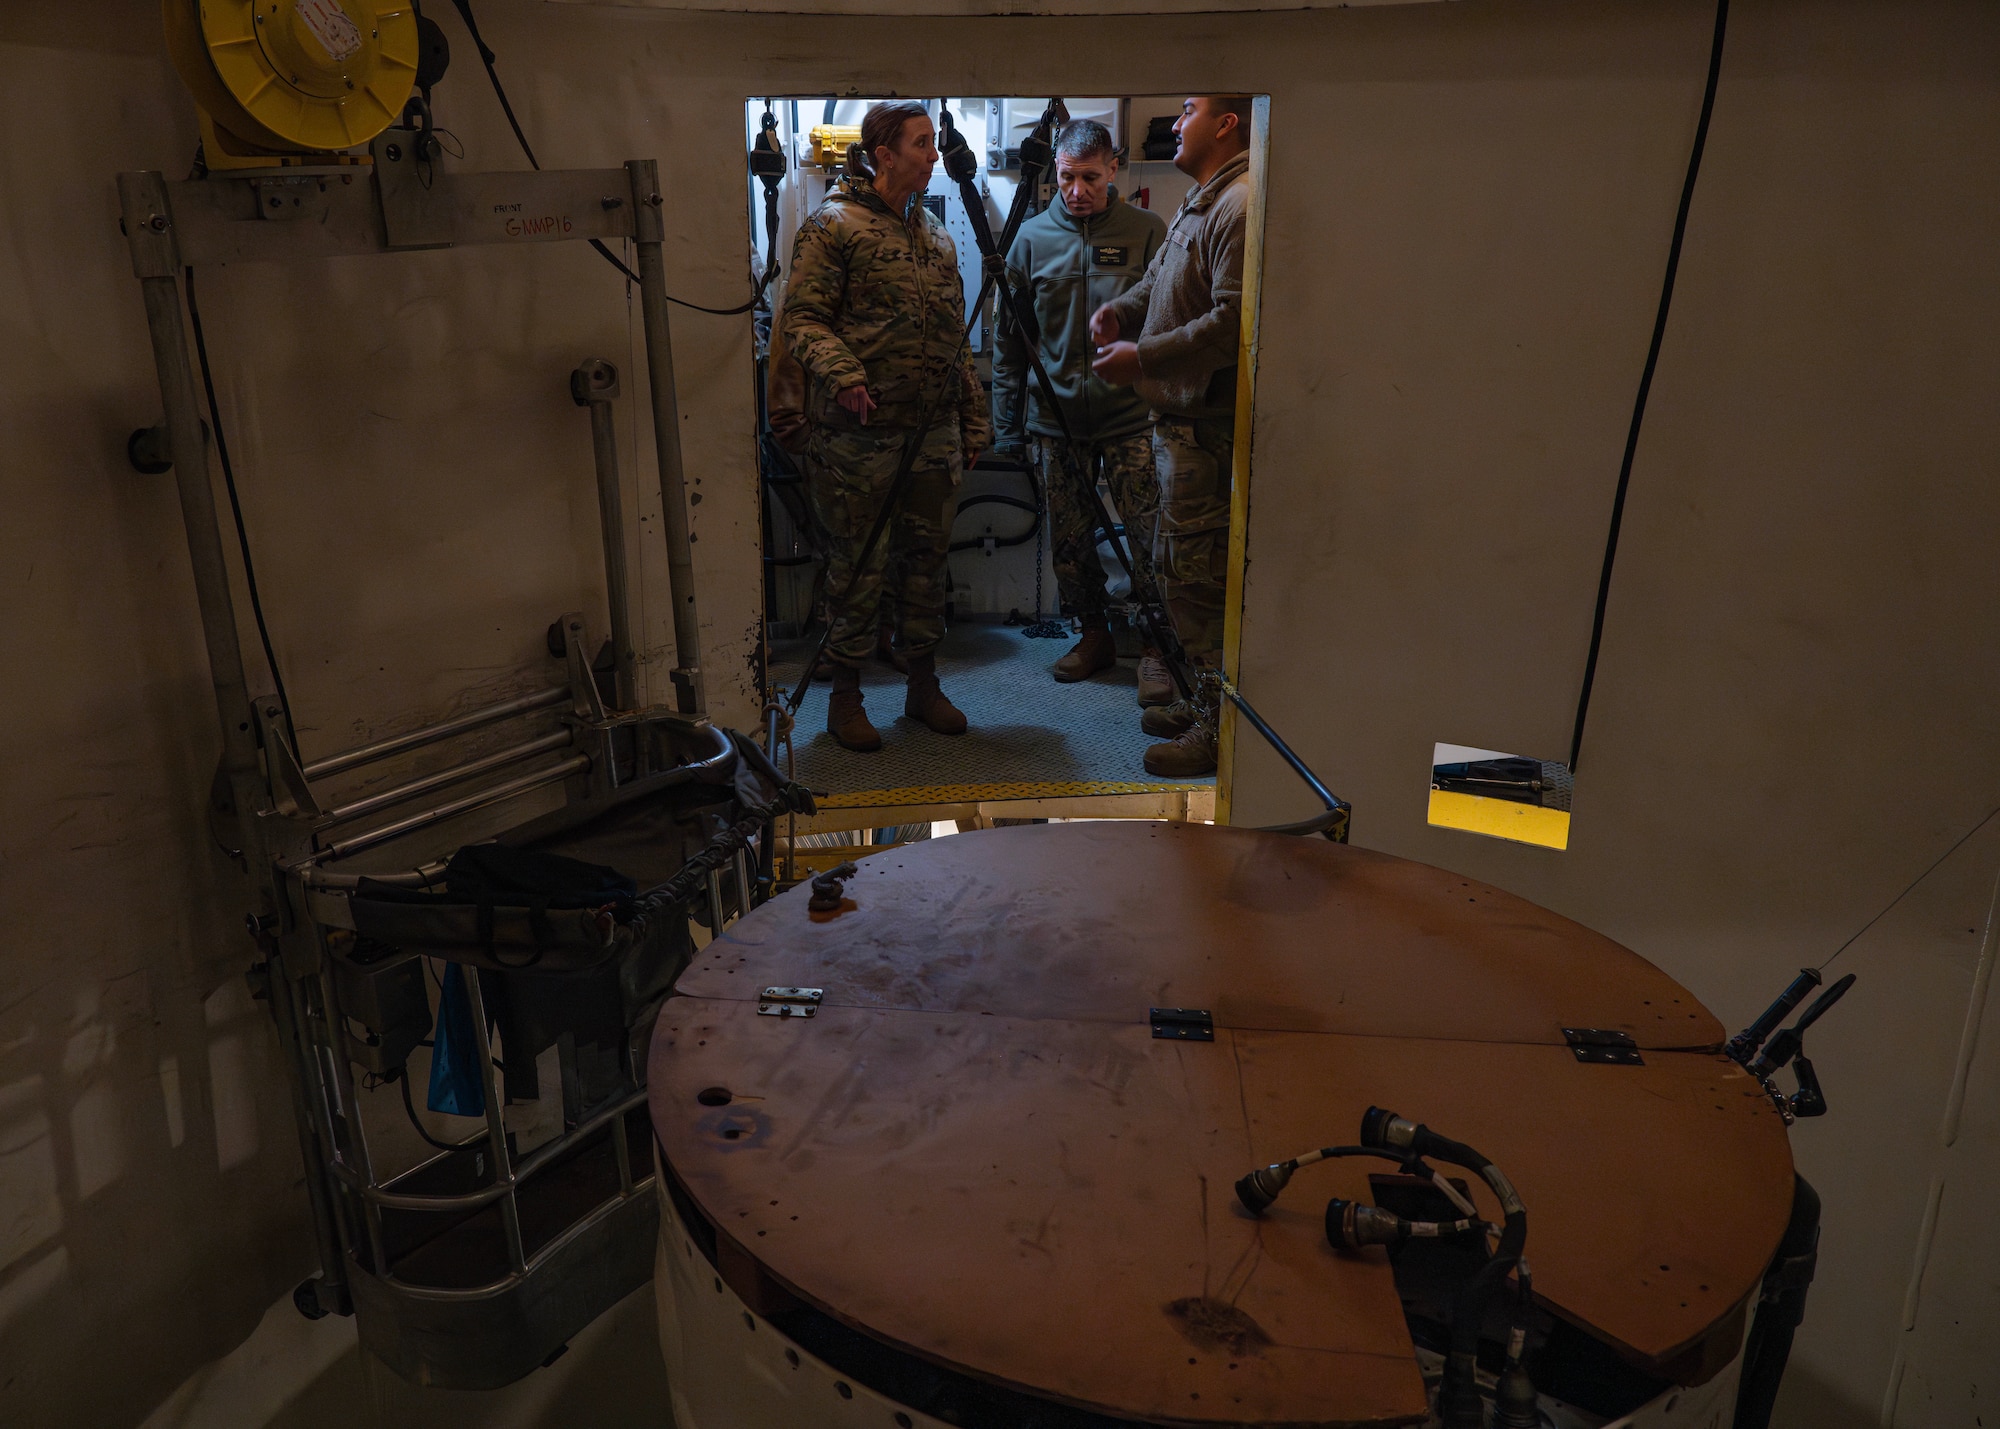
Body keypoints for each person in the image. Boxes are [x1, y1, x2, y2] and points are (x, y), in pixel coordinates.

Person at [783, 100, 990, 751]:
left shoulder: (935, 235)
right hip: (858, 439)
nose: (935, 154)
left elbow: (953, 338)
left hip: (930, 434)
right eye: (923, 143)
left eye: (934, 143)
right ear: (884, 155)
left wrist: (972, 419)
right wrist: (843, 373)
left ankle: (923, 686)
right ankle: (845, 699)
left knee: (926, 564)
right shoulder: (831, 227)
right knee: (857, 568)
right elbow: (802, 320)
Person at [1091, 96, 1253, 778]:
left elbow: (1230, 322)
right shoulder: (1201, 201)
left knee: (1202, 582)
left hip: (1204, 433)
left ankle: (1220, 731)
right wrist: (1120, 312)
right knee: (1178, 572)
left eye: (1188, 109)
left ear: (1226, 124)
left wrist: (1144, 360)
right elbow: (1159, 283)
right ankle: (1201, 700)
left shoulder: (1240, 204)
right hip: (1176, 426)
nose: (1176, 122)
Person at [991, 120, 1172, 704]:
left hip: (1130, 417)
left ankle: (1154, 648)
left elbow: (1169, 322)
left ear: (1114, 168)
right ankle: (1093, 634)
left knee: (1148, 536)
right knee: (1070, 540)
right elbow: (1009, 339)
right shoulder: (1030, 240)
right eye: (1067, 178)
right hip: (1055, 419)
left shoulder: (1148, 233)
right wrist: (1006, 424)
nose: (1077, 191)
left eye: (1090, 178)